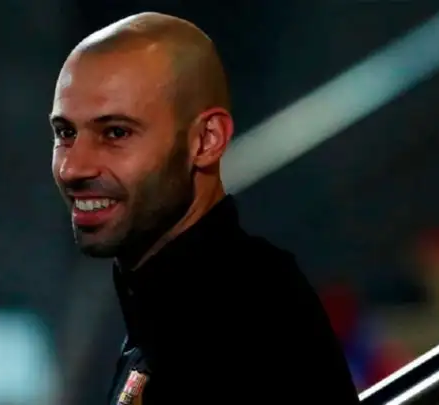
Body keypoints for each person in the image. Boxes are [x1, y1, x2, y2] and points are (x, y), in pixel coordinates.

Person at [50, 11, 360, 404]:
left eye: (115, 133)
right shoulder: (171, 309)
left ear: (207, 140)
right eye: (66, 133)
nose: (73, 167)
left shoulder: (246, 317)